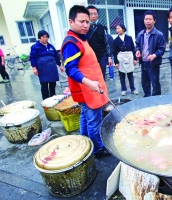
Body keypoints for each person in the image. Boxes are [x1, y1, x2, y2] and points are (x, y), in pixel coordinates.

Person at [61, 5, 111, 158]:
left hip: (91, 89)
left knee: (84, 116)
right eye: (81, 21)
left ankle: (85, 144)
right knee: (93, 121)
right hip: (88, 90)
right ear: (71, 21)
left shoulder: (81, 39)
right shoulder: (71, 43)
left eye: (87, 22)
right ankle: (97, 149)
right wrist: (90, 83)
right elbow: (71, 69)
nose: (85, 25)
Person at [135, 10, 165, 97]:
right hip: (143, 62)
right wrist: (137, 51)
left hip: (153, 63)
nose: (147, 21)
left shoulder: (159, 34)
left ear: (154, 21)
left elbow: (162, 49)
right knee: (145, 83)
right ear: (144, 20)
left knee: (155, 83)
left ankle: (156, 100)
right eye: (146, 19)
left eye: (150, 19)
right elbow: (137, 45)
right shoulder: (141, 34)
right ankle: (147, 99)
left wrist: (154, 55)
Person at [30, 30, 64, 100]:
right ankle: (46, 101)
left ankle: (53, 100)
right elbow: (32, 57)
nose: (45, 38)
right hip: (42, 69)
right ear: (40, 37)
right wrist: (34, 68)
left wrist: (60, 65)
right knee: (44, 86)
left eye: (47, 37)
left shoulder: (51, 46)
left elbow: (56, 56)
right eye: (43, 37)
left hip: (52, 68)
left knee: (52, 85)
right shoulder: (35, 47)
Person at [86, 5, 112, 80]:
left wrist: (109, 56)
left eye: (95, 14)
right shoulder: (85, 27)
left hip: (101, 56)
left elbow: (106, 43)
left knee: (102, 76)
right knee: (91, 77)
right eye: (91, 14)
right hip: (89, 57)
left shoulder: (102, 27)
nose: (93, 16)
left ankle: (102, 91)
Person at [113, 24, 139, 96]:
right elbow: (114, 52)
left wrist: (135, 59)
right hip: (121, 58)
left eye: (118, 28)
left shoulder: (129, 38)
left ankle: (133, 89)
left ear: (123, 29)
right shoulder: (115, 40)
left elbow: (133, 49)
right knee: (122, 76)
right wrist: (116, 62)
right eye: (116, 28)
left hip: (129, 57)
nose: (117, 30)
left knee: (130, 75)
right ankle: (123, 89)